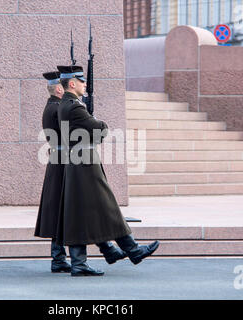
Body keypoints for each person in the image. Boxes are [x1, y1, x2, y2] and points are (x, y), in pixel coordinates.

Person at [56, 65, 159, 277]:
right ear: (72, 84)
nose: (85, 85)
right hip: (84, 165)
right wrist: (98, 127)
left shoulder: (65, 105)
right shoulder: (75, 107)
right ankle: (132, 250)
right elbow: (100, 128)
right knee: (107, 206)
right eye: (82, 82)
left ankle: (83, 262)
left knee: (81, 212)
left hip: (77, 163)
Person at [34, 71, 71, 273]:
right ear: (58, 89)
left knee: (59, 210)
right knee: (60, 209)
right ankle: (59, 258)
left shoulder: (52, 106)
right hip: (62, 162)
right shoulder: (57, 108)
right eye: (65, 86)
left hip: (58, 160)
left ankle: (58, 258)